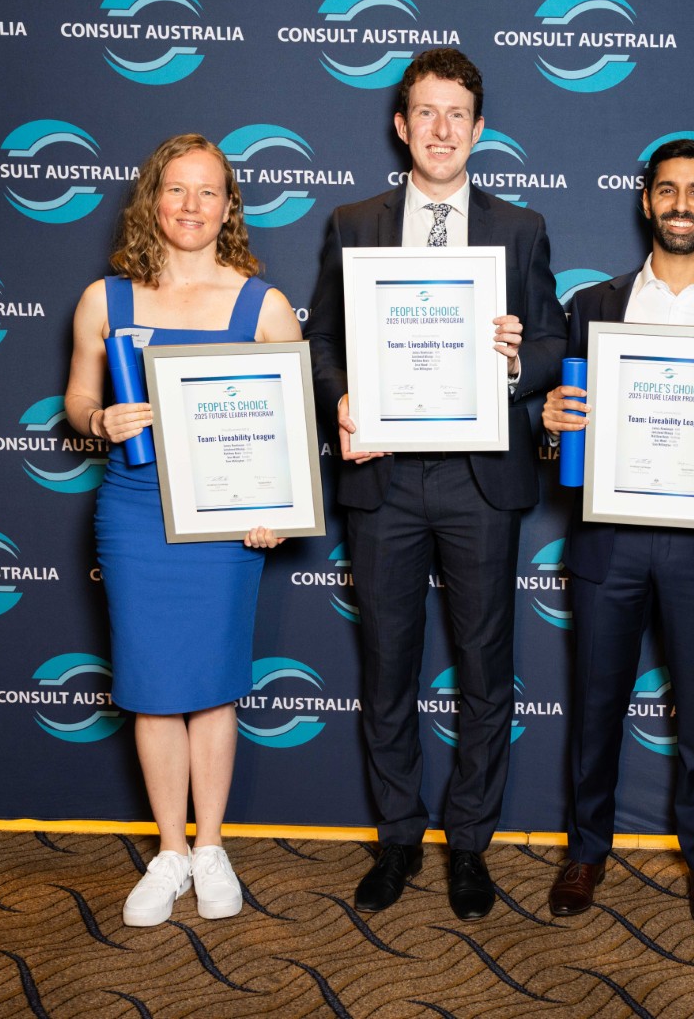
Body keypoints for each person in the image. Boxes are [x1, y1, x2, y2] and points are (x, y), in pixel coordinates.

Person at [306, 49, 567, 921]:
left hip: (476, 477)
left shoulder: (520, 228)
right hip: (382, 475)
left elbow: (551, 343)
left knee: (485, 669)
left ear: (479, 129)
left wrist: (511, 363)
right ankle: (397, 837)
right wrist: (342, 399)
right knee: (387, 666)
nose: (441, 129)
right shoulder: (353, 223)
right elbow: (324, 341)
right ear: (401, 125)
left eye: (457, 113)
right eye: (426, 112)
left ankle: (468, 843)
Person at [540, 139, 694, 928]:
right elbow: (567, 426)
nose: (682, 204)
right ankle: (585, 852)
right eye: (668, 190)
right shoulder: (593, 305)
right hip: (610, 537)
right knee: (595, 705)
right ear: (646, 200)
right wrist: (551, 425)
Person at [64, 133, 301, 927]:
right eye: (176, 189)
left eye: (208, 191)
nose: (191, 205)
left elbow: (291, 427)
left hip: (225, 518)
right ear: (153, 200)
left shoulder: (263, 306)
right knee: (153, 687)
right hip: (135, 509)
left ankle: (210, 847)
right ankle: (168, 852)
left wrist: (277, 506)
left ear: (229, 207)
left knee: (212, 682)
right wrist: (99, 418)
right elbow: (76, 401)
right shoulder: (105, 300)